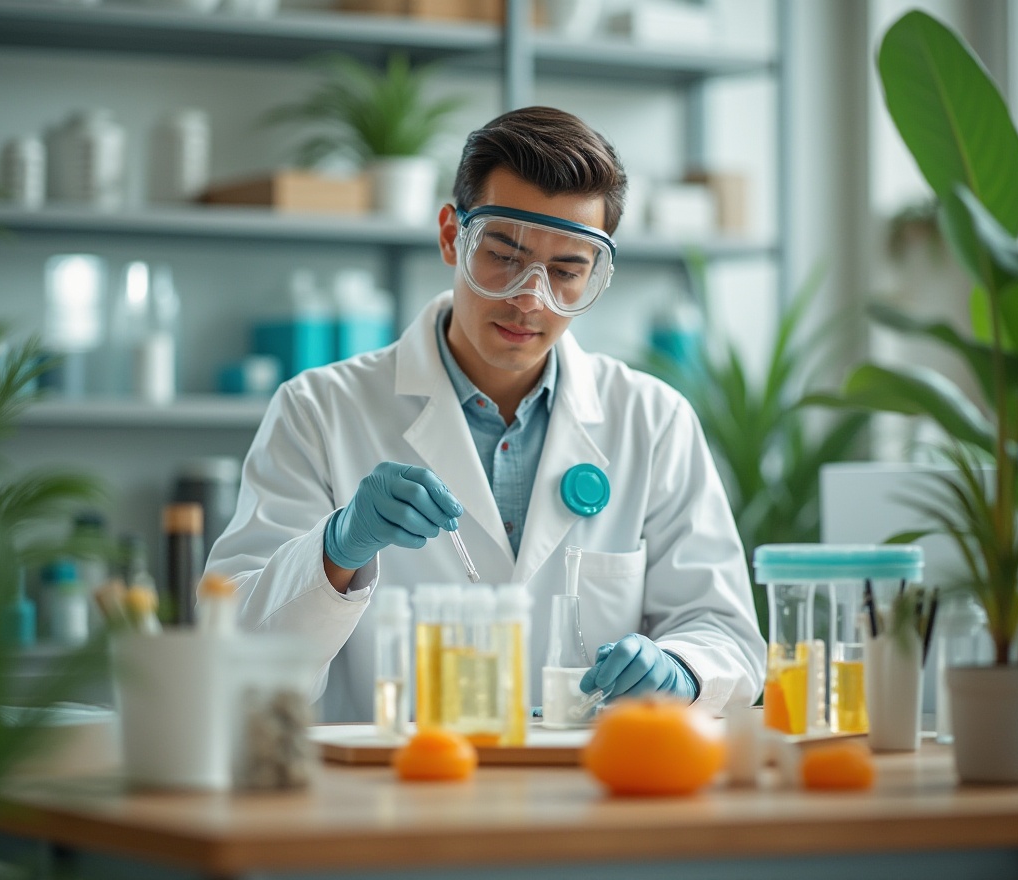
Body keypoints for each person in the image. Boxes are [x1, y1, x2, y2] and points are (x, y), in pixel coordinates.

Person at [207, 106, 765, 721]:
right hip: (388, 800)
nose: (530, 297)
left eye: (566, 271)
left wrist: (682, 671)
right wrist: (336, 551)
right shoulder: (318, 410)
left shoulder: (653, 421)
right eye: (503, 255)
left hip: (587, 797)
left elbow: (724, 632)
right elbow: (232, 660)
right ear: (453, 236)